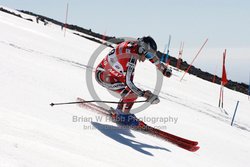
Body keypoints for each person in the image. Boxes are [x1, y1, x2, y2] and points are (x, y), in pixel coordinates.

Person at [95, 36, 172, 126]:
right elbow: (129, 83)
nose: (146, 58)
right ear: (141, 50)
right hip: (103, 76)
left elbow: (152, 57)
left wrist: (162, 68)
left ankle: (120, 112)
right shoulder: (130, 57)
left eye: (149, 56)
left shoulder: (136, 47)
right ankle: (124, 117)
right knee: (132, 93)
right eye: (147, 55)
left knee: (129, 91)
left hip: (114, 74)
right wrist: (145, 95)